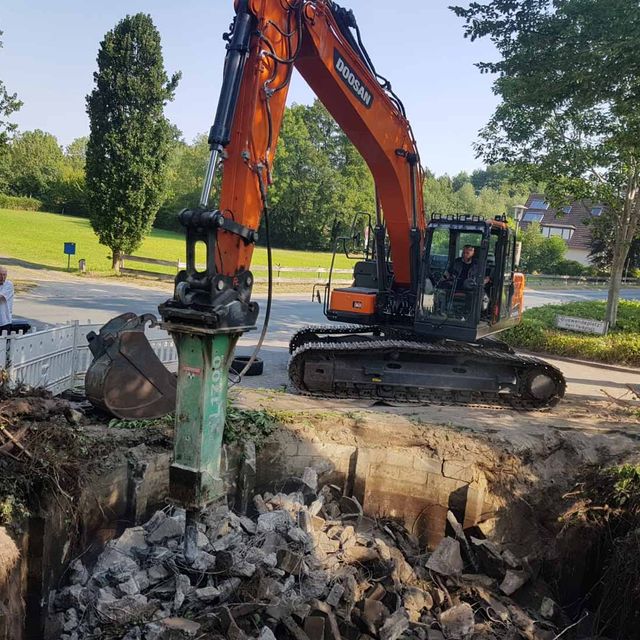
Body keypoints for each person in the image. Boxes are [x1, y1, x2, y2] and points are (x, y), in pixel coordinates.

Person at [0, 267, 31, 334]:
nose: (2, 277)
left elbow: (1, 297)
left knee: (3, 342)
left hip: (4, 321)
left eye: (4, 275)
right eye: (0, 274)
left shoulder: (8, 285)